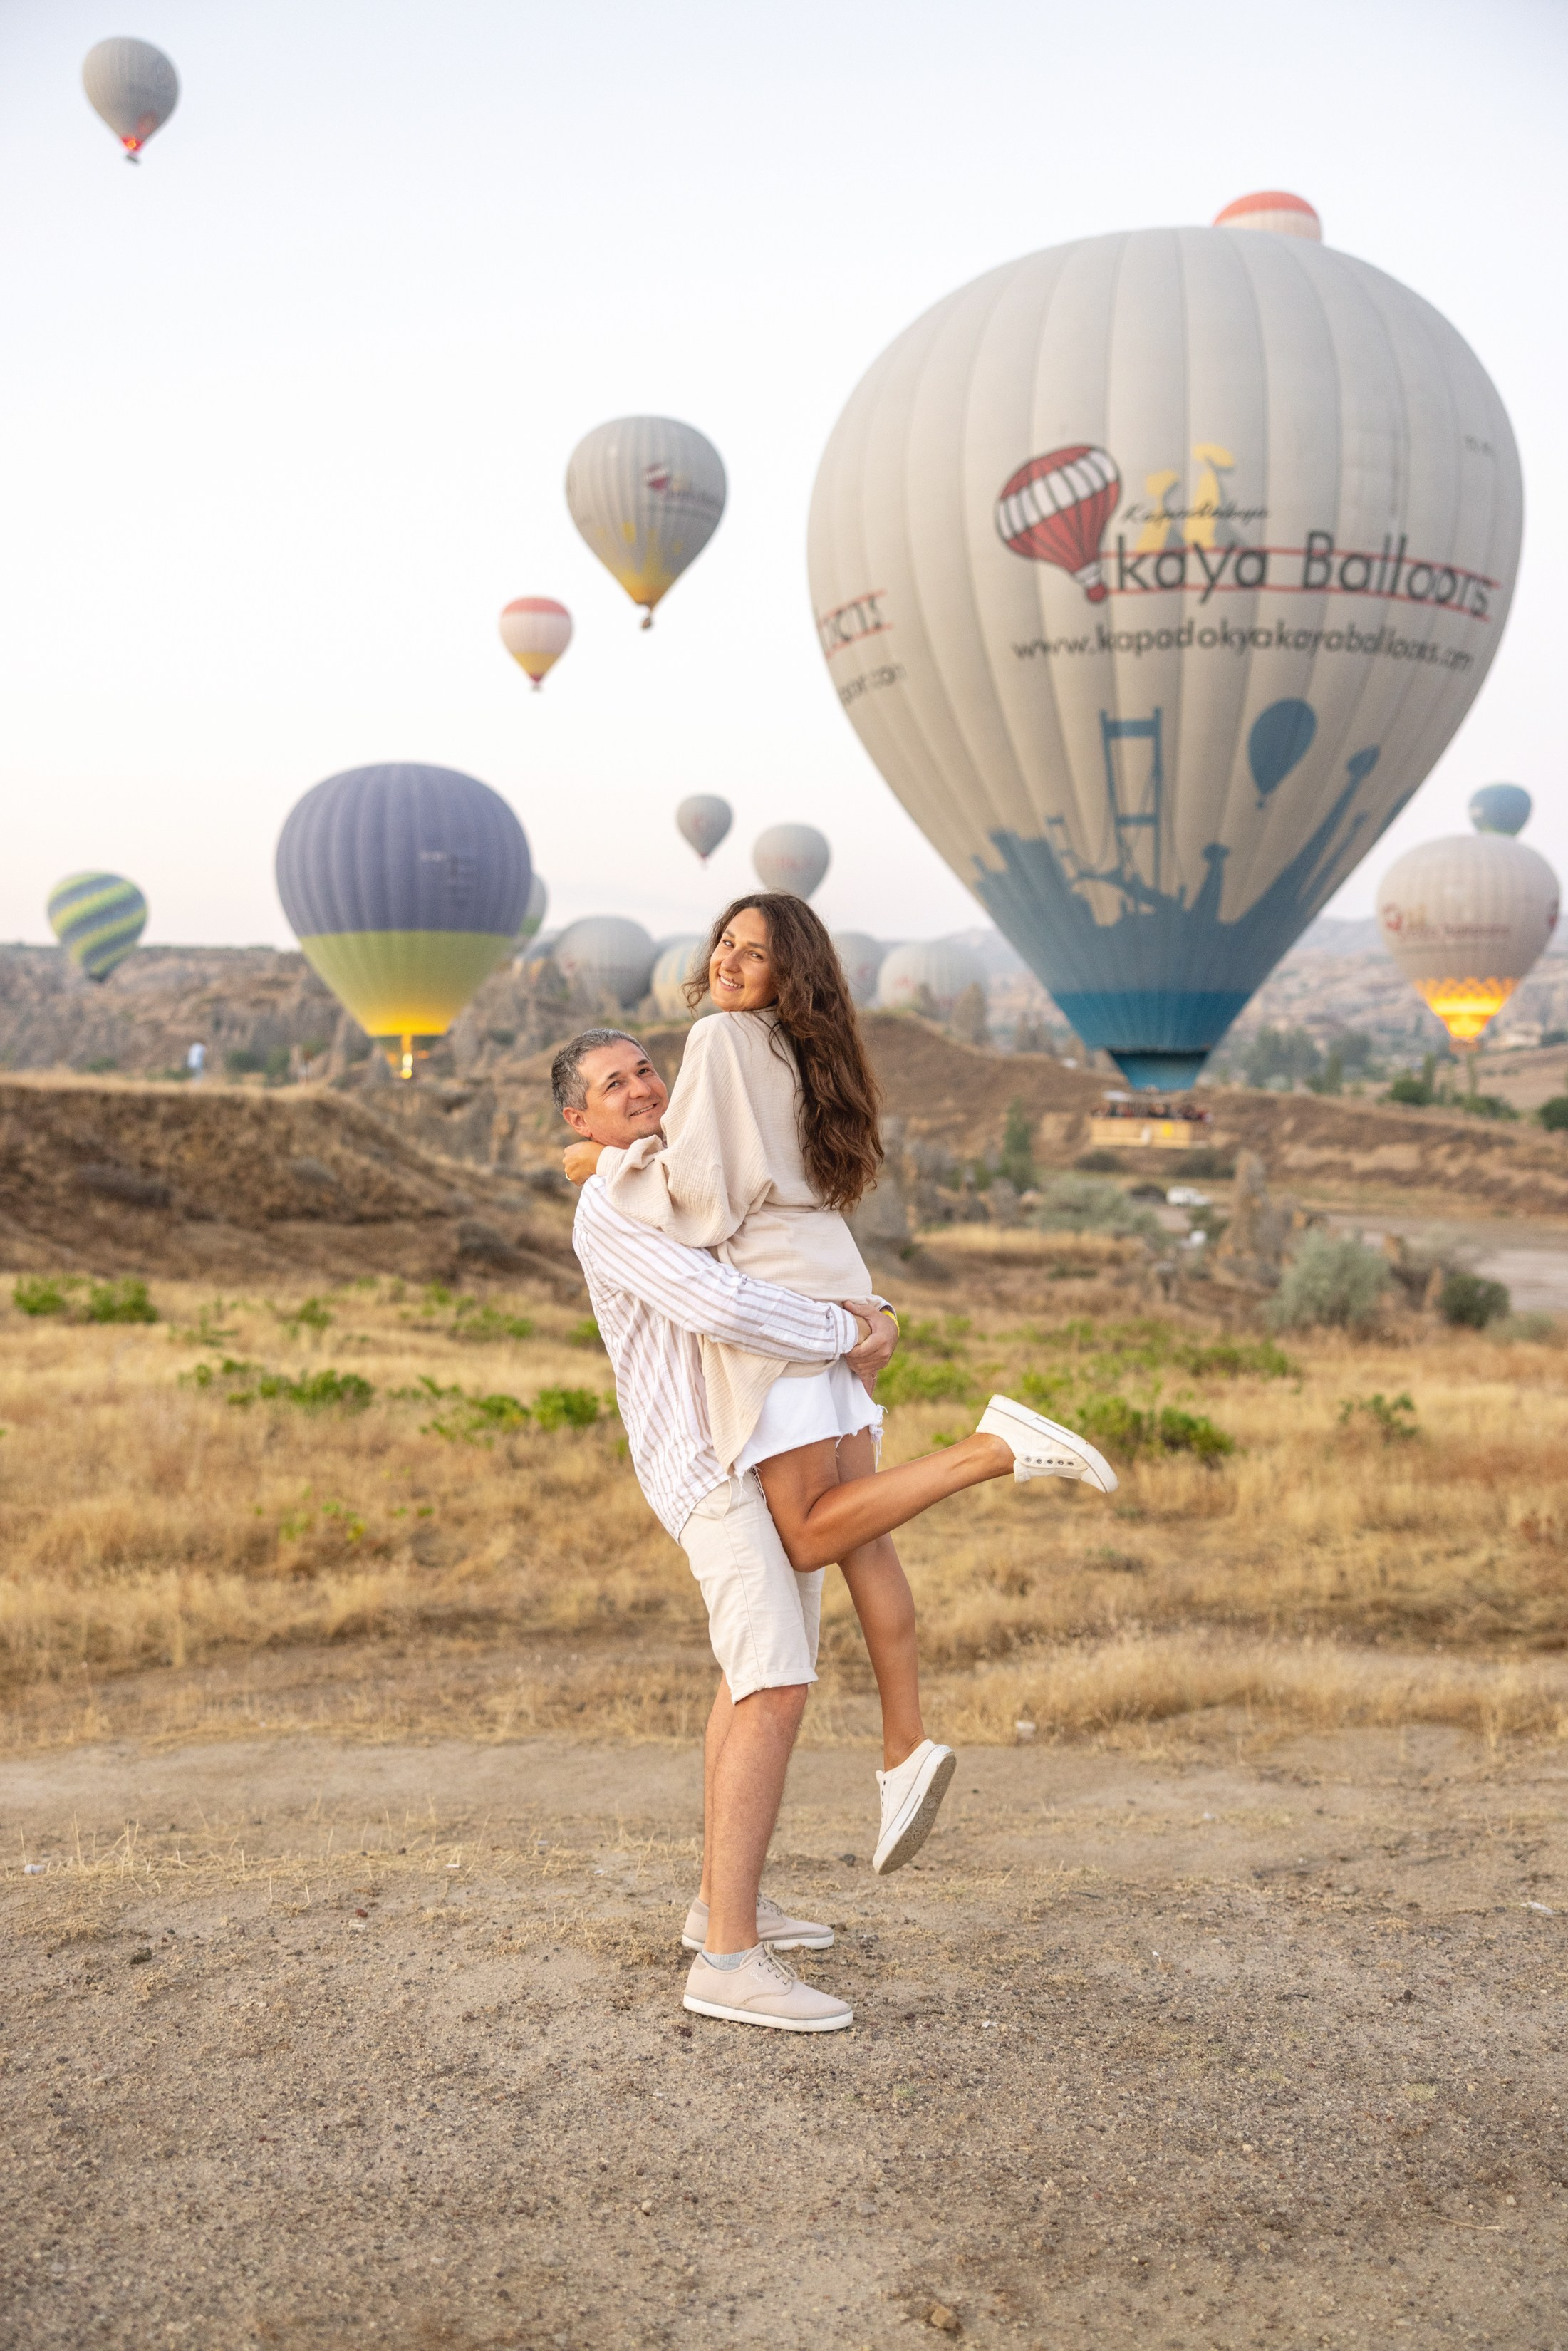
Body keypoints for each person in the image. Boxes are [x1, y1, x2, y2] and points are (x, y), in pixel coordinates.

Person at [564, 897, 1116, 1878]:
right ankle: (904, 1748)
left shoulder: (724, 1039)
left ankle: (989, 1449)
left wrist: (607, 1161)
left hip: (782, 1306)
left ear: (789, 972)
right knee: (863, 1541)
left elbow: (698, 1197)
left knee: (809, 1533)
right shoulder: (806, 1049)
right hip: (839, 1281)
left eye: (755, 953)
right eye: (726, 945)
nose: (731, 964)